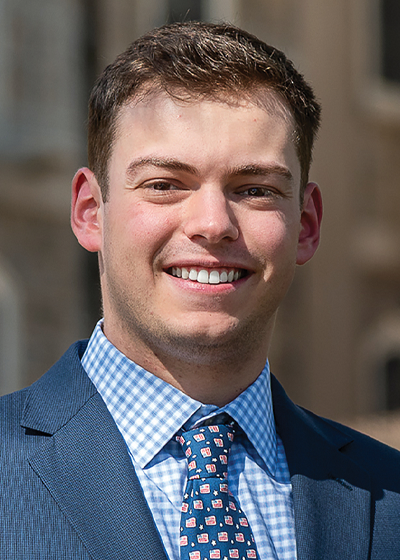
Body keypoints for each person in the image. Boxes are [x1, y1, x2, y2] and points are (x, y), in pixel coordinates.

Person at [1, 21, 400, 560]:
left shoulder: (389, 493)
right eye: (165, 185)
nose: (212, 224)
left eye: (254, 189)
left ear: (305, 225)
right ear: (90, 212)